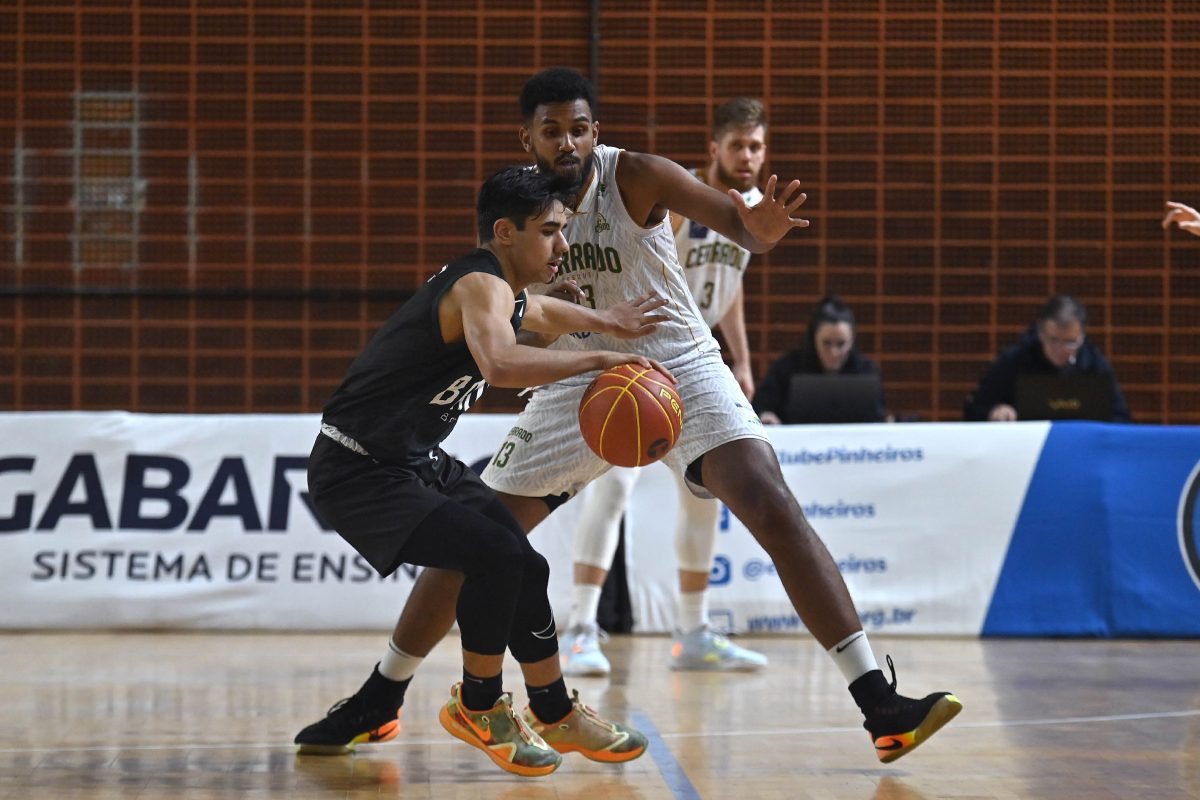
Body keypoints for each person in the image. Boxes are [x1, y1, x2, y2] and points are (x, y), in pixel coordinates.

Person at [297, 67, 962, 766]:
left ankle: (879, 704)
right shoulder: (521, 210)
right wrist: (576, 340)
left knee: (769, 500)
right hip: (574, 378)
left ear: (596, 132)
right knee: (482, 540)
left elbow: (739, 224)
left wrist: (761, 233)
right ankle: (382, 697)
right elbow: (520, 327)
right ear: (527, 139)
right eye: (552, 131)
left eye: (579, 128)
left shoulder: (638, 176)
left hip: (675, 362)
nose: (567, 142)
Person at [295, 166, 673, 777]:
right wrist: (600, 357)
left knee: (525, 563)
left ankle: (553, 710)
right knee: (495, 556)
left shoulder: (500, 289)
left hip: (414, 459)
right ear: (504, 232)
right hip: (358, 468)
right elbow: (499, 363)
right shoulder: (478, 284)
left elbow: (539, 312)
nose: (562, 244)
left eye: (563, 230)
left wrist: (609, 319)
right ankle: (478, 705)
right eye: (548, 231)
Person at [560, 97, 772, 677]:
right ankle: (579, 628)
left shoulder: (752, 207)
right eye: (738, 146)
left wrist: (742, 360)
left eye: (756, 146)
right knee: (612, 489)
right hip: (641, 356)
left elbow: (727, 283)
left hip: (695, 363)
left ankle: (694, 632)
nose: (748, 157)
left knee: (704, 496)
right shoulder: (682, 198)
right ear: (715, 149)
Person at [963, 293, 1131, 422]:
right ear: (1040, 334)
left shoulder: (1094, 364)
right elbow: (974, 408)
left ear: (1082, 338)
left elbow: (1121, 417)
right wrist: (995, 411)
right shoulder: (1014, 360)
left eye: (1070, 343)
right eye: (1053, 341)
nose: (1061, 350)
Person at [752, 294, 888, 425]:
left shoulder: (867, 371)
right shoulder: (785, 369)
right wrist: (766, 415)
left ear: (852, 342)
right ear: (814, 339)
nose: (834, 352)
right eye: (826, 343)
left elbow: (879, 418)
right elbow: (760, 407)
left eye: (841, 344)